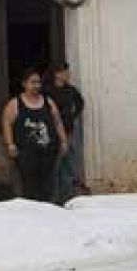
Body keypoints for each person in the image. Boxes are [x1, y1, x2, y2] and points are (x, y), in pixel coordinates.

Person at [1, 68, 69, 203]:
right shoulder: (15, 104)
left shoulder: (48, 102)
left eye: (38, 82)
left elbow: (58, 123)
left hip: (49, 153)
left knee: (49, 186)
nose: (36, 86)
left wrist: (63, 141)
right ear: (24, 84)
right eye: (33, 82)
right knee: (30, 187)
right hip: (27, 155)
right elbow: (6, 122)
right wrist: (10, 144)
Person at [49, 61, 87, 202]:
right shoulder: (48, 91)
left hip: (68, 131)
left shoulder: (71, 90)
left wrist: (73, 115)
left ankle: (69, 196)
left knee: (69, 163)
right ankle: (55, 197)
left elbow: (80, 103)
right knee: (55, 165)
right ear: (57, 74)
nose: (67, 74)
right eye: (64, 72)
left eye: (67, 71)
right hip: (52, 134)